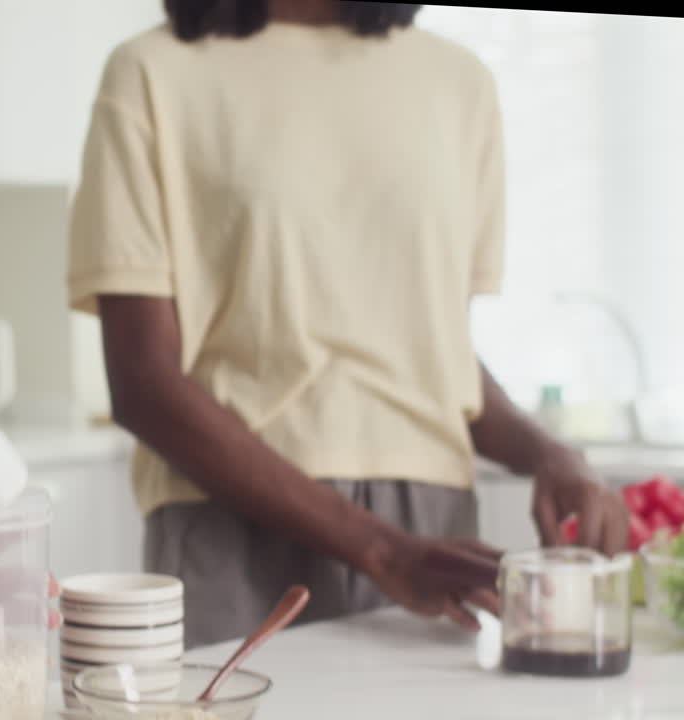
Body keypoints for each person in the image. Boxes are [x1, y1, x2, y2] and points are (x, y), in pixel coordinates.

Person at [67, 0, 630, 650]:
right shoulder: (150, 73)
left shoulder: (459, 83)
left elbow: (437, 354)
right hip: (231, 519)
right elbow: (142, 380)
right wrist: (382, 550)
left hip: (432, 536)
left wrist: (553, 454)